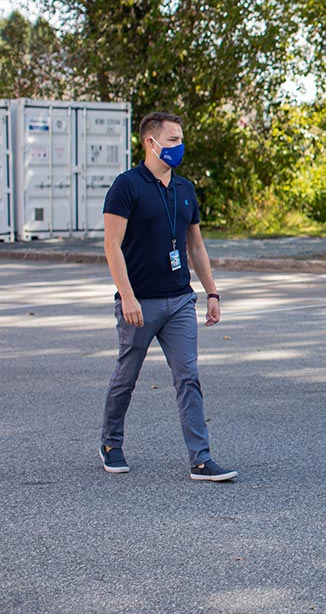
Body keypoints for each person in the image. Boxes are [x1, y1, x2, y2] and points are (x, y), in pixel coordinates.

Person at [100, 111, 235, 481]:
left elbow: (196, 247)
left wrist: (212, 293)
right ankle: (111, 443)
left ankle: (201, 459)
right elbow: (112, 246)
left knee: (188, 377)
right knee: (126, 376)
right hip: (139, 302)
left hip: (179, 300)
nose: (179, 146)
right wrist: (127, 297)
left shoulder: (185, 189)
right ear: (151, 142)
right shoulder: (126, 186)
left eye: (180, 139)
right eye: (173, 140)